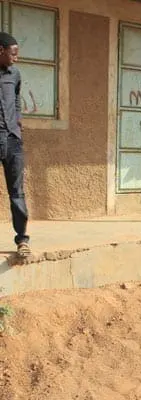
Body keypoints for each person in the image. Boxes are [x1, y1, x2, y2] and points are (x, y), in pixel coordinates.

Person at [0, 32, 30, 257]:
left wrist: (17, 121)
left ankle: (22, 240)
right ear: (1, 51)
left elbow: (17, 100)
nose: (16, 58)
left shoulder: (15, 74)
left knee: (17, 192)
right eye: (13, 53)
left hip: (12, 140)